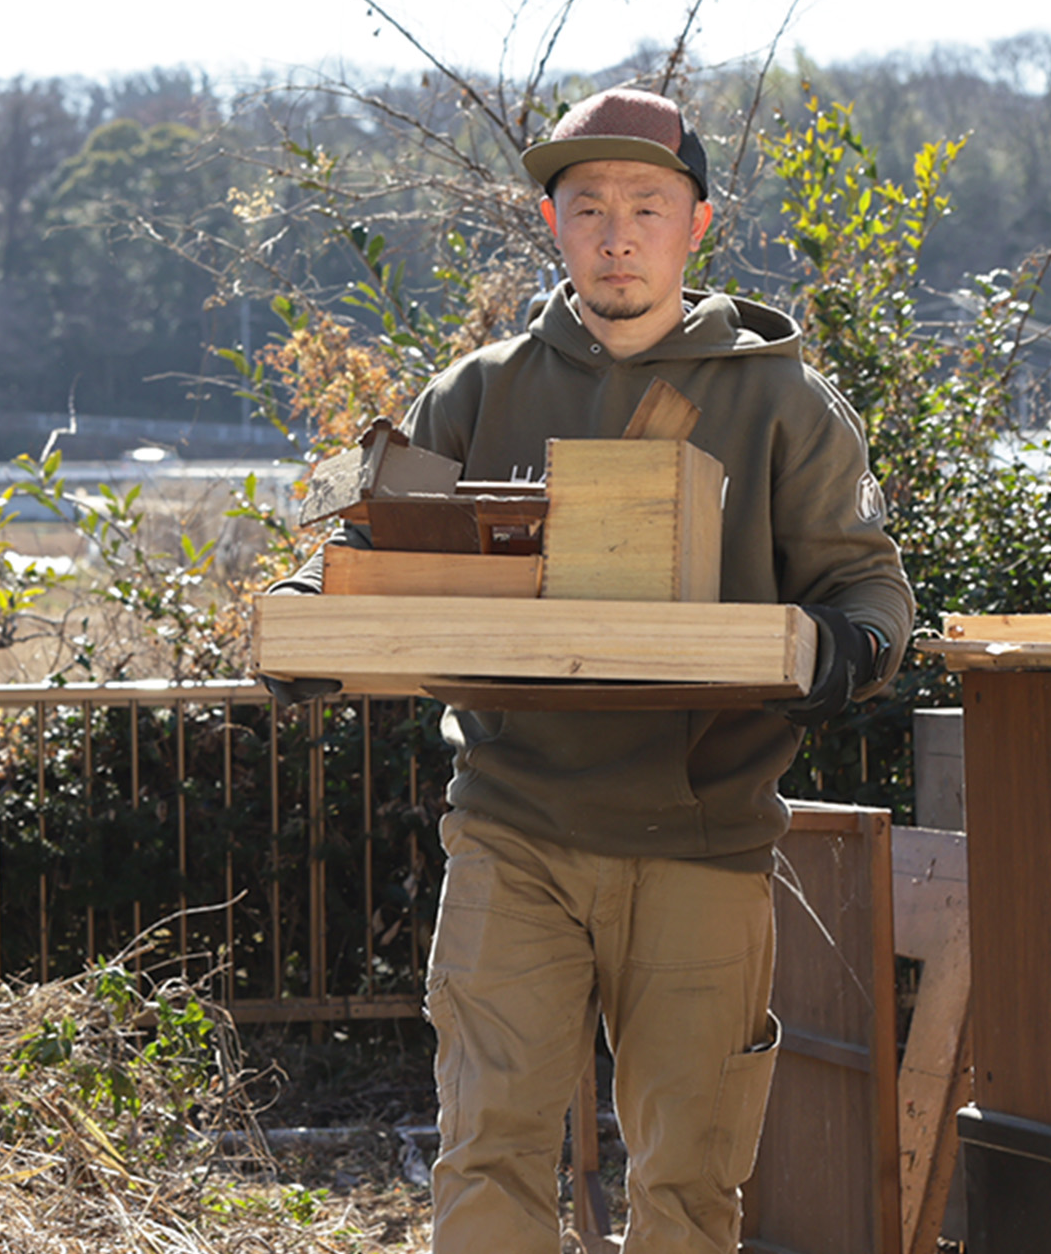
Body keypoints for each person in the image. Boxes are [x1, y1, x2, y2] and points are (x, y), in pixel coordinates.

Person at [266, 87, 916, 1253]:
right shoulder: (479, 391)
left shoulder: (784, 399)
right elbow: (371, 558)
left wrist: (843, 650)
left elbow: (870, 590)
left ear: (698, 224)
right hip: (514, 829)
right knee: (488, 1158)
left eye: (648, 206)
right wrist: (311, 626)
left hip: (706, 838)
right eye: (588, 205)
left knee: (689, 1187)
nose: (618, 232)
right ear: (554, 224)